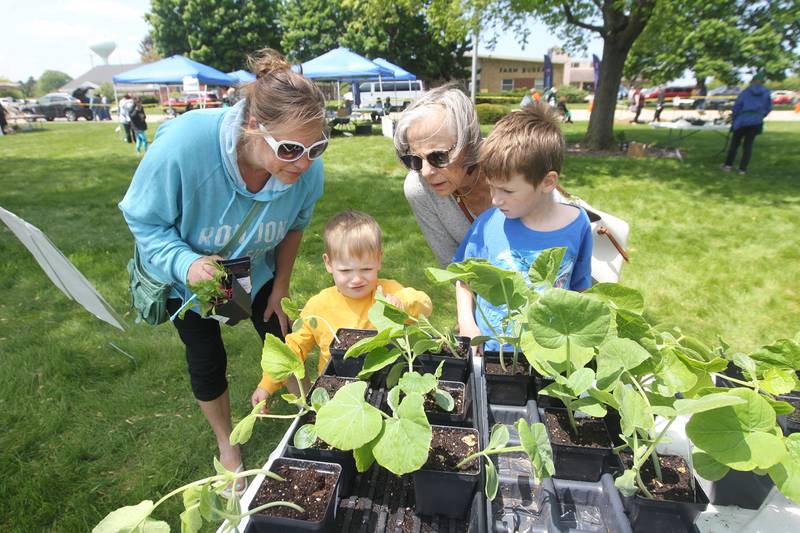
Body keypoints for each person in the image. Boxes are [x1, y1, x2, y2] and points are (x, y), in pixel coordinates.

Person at [119, 47, 328, 494]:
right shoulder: (185, 145)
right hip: (190, 276)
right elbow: (143, 220)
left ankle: (314, 420)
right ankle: (227, 447)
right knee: (207, 357)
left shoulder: (308, 168)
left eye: (316, 147)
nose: (305, 163)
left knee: (283, 336)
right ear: (253, 126)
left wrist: (280, 287)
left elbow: (295, 225)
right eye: (290, 148)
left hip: (258, 264)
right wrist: (187, 263)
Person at [252, 211, 433, 405]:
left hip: (386, 386)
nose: (356, 279)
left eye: (366, 269)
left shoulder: (387, 291)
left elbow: (424, 304)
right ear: (328, 263)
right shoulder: (318, 306)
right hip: (336, 392)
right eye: (346, 271)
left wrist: (402, 304)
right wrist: (267, 384)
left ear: (379, 259)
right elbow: (293, 348)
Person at [453, 104, 592, 349]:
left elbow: (580, 288)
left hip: (552, 354)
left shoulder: (578, 225)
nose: (495, 199)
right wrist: (467, 322)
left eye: (507, 190)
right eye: (492, 187)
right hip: (494, 354)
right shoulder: (488, 224)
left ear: (548, 182)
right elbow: (464, 279)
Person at [396, 84, 492, 267]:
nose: (425, 172)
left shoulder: (512, 164)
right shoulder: (418, 188)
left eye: (438, 156)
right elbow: (453, 267)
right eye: (413, 160)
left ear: (468, 144)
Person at [722, 72, 772, 175]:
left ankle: (728, 165)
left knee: (735, 144)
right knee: (748, 145)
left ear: (753, 81)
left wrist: (734, 119)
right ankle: (742, 169)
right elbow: (768, 108)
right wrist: (760, 116)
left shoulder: (745, 92)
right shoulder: (766, 93)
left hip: (742, 120)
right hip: (756, 121)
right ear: (762, 82)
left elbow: (737, 106)